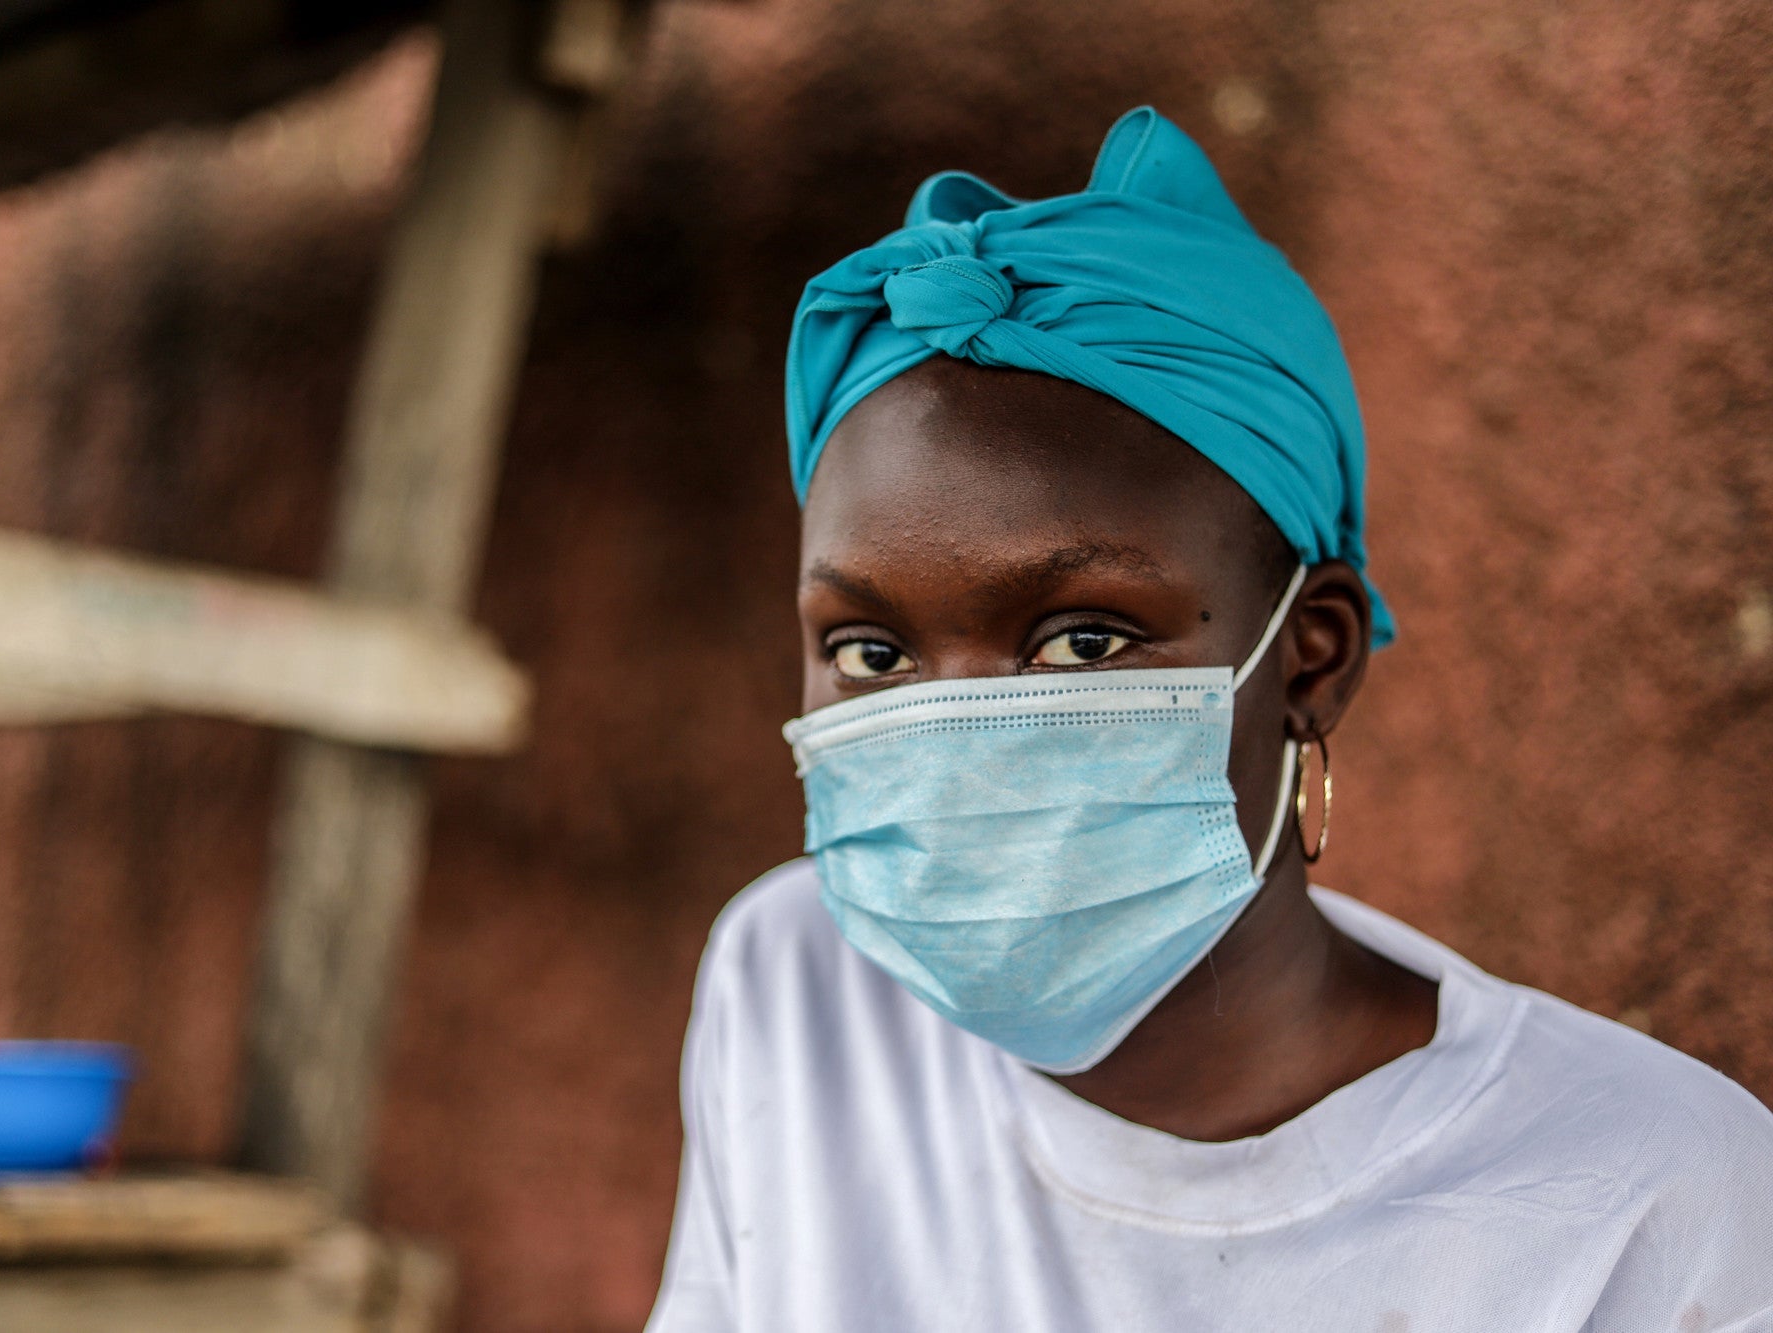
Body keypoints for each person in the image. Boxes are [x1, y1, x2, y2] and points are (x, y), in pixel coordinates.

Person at [644, 108, 1773, 1332]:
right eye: (868, 650)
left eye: (1080, 639)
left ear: (1309, 654)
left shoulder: (1645, 1200)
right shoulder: (799, 991)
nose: (955, 724)